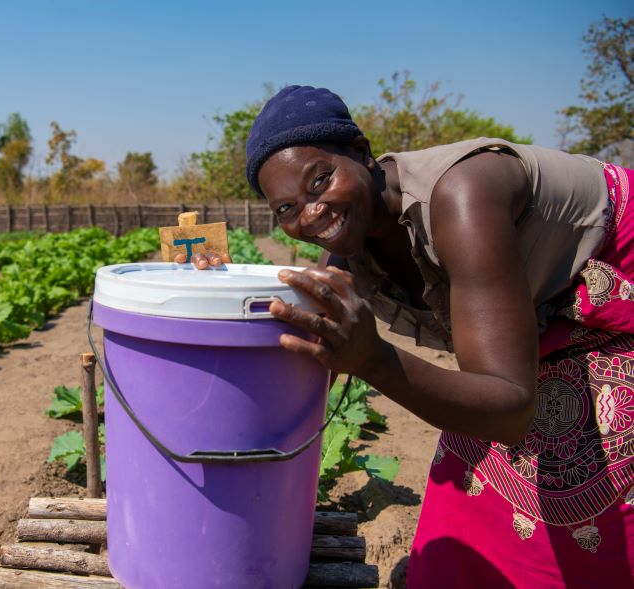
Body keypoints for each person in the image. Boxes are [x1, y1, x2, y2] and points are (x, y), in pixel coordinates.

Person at [202, 85, 631, 588]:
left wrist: (376, 362)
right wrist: (211, 291)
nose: (311, 213)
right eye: (287, 209)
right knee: (466, 502)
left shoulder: (461, 195)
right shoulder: (350, 239)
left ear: (362, 153)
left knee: (573, 490)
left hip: (611, 297)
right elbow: (303, 316)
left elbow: (510, 409)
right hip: (542, 321)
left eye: (320, 181)